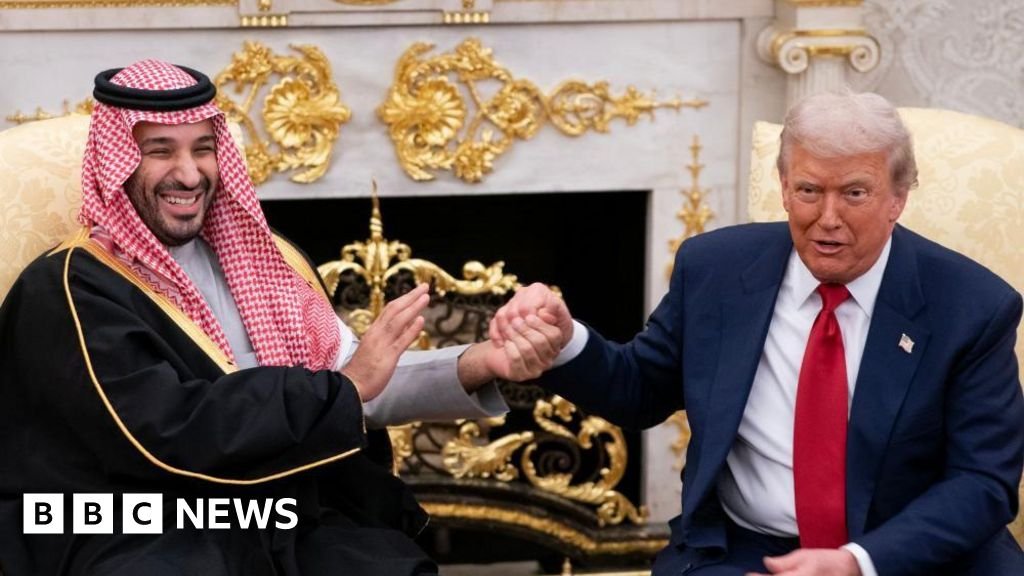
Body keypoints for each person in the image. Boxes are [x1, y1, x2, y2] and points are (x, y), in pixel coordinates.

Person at [0, 60, 564, 575]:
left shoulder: (264, 260)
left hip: (263, 506)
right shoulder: (70, 288)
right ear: (116, 161)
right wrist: (343, 390)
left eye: (203, 149)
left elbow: (357, 382)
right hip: (126, 515)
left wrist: (480, 362)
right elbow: (169, 431)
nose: (189, 174)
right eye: (160, 151)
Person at [491, 91, 1024, 575]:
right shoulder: (716, 270)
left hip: (911, 555)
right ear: (784, 189)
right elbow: (639, 389)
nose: (828, 217)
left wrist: (857, 563)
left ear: (898, 198)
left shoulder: (972, 307)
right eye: (809, 190)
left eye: (855, 193)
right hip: (748, 552)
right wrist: (564, 341)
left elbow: (982, 482)